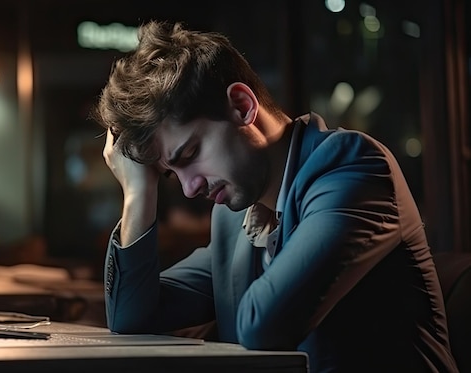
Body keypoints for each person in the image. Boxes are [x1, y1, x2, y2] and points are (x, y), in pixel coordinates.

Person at [90, 20, 459, 372]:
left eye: (188, 155)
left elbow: (264, 325)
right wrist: (140, 190)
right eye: (171, 173)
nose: (189, 188)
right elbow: (131, 316)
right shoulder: (234, 218)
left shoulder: (352, 169)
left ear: (242, 106)